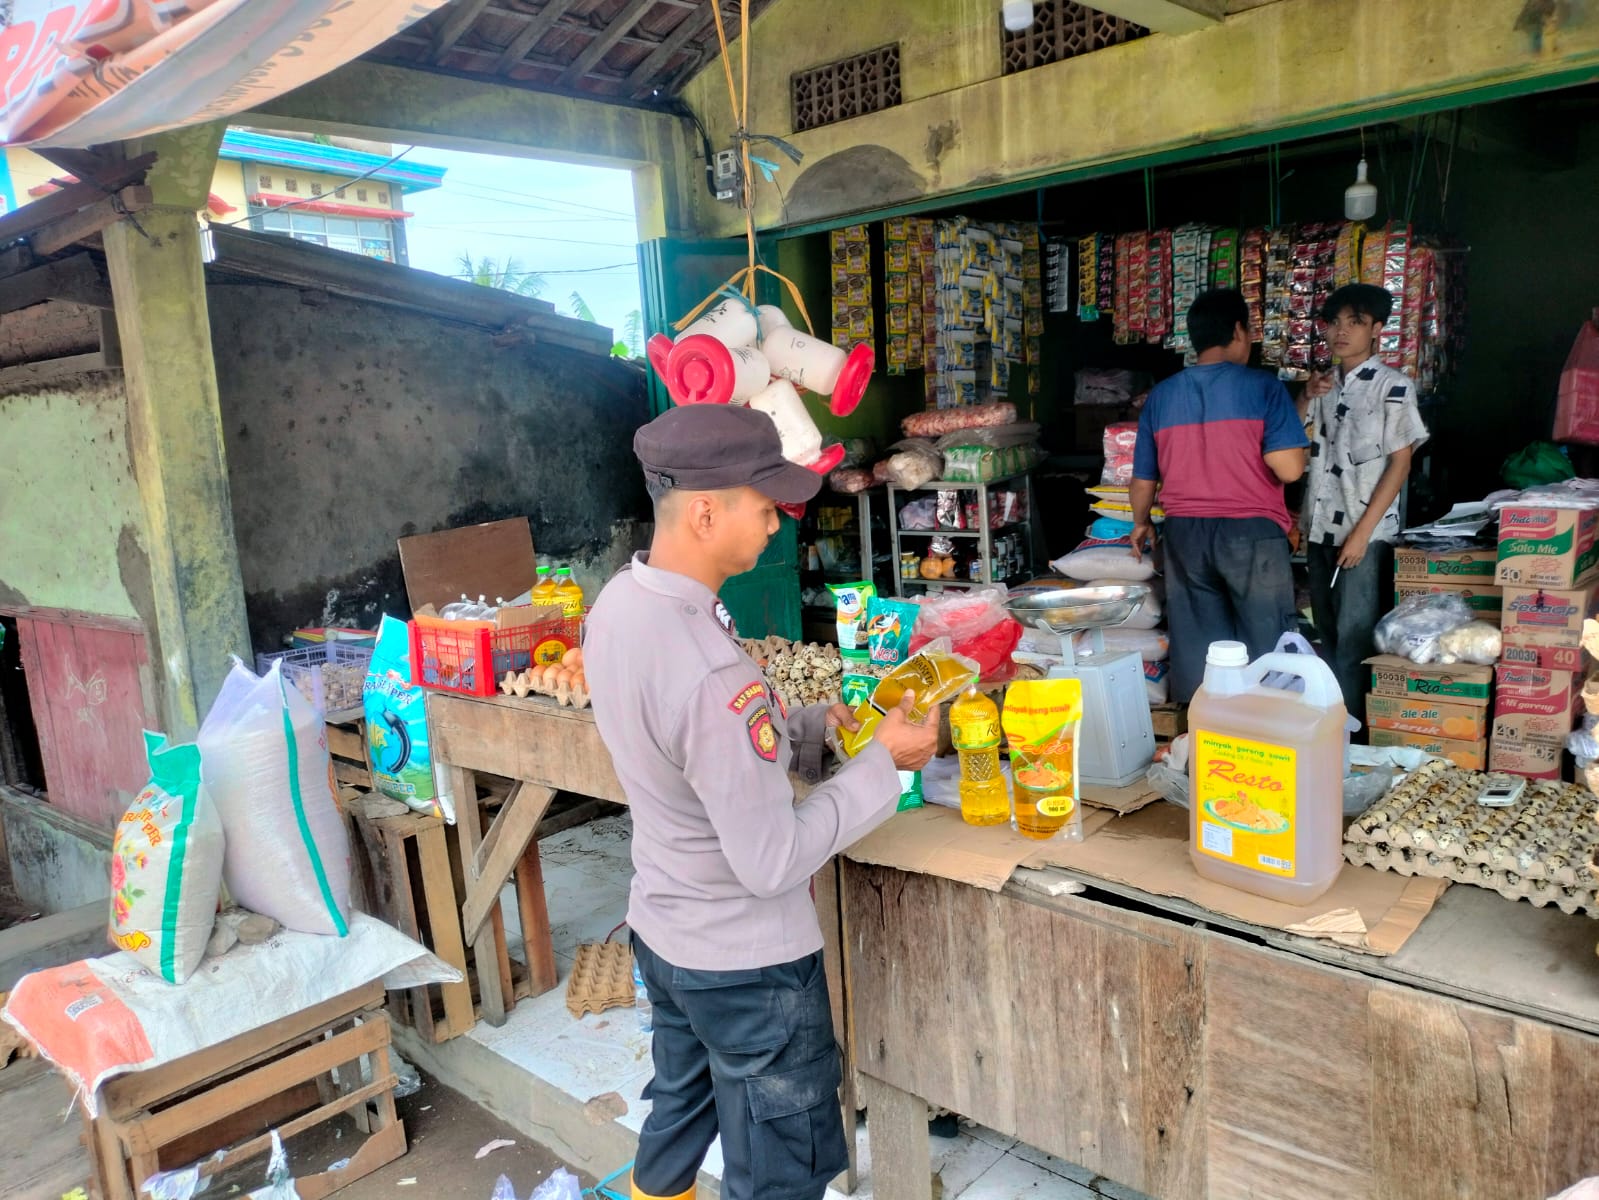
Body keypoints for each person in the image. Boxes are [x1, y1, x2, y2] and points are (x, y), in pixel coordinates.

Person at [584, 403, 940, 1200]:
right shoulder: (712, 672)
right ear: (705, 513)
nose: (778, 525)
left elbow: (683, 751)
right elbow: (770, 860)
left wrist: (806, 729)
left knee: (680, 1107)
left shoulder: (622, 605)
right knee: (781, 1169)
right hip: (744, 968)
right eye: (765, 506)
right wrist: (881, 765)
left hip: (666, 931)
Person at [1130, 288, 1309, 702]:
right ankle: (1268, 729)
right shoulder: (1263, 388)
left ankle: (1201, 730)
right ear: (1239, 331)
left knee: (1200, 648)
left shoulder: (1162, 396)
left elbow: (1142, 481)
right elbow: (1289, 468)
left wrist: (1141, 523)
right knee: (1266, 641)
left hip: (1185, 536)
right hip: (1252, 535)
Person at [1300, 283, 1429, 710]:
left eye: (1355, 322)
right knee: (1328, 631)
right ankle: (1331, 721)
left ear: (1376, 329)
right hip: (1320, 528)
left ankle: (1353, 729)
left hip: (1364, 534)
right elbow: (1294, 442)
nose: (1342, 331)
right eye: (1335, 322)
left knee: (1355, 637)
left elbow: (1401, 463)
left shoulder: (1393, 386)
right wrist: (1305, 396)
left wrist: (1362, 534)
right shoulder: (1323, 385)